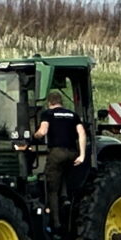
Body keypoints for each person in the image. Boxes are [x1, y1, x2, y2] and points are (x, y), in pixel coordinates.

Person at [39, 84, 87, 226]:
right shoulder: (73, 115)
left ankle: (56, 222)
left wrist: (33, 137)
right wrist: (82, 155)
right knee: (64, 171)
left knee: (52, 187)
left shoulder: (47, 114)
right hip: (72, 153)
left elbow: (43, 132)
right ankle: (65, 198)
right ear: (61, 101)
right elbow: (82, 133)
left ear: (49, 102)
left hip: (57, 153)